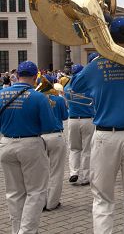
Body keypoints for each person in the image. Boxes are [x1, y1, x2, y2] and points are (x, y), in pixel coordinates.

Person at [71, 17, 124, 233]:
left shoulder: (96, 63)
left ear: (109, 35)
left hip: (105, 136)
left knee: (102, 198)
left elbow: (75, 85)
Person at [0, 61, 56, 234]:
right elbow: (49, 126)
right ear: (34, 77)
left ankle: (17, 230)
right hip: (30, 144)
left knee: (14, 192)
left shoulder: (1, 94)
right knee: (36, 192)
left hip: (6, 143)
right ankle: (27, 231)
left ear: (17, 75)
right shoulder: (39, 97)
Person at [40, 74, 68, 211]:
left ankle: (40, 202)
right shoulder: (59, 99)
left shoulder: (36, 99)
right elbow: (65, 116)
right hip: (56, 136)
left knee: (41, 172)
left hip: (40, 137)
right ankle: (52, 203)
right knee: (56, 171)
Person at [65, 63, 95, 186]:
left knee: (74, 148)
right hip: (88, 119)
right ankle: (86, 177)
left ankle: (74, 172)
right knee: (87, 149)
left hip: (72, 120)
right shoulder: (88, 86)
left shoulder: (67, 87)